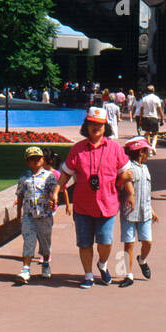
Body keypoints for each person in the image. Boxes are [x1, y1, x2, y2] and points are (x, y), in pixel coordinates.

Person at [56, 107, 133, 289]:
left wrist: (131, 194)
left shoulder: (114, 148)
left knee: (105, 242)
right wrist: (56, 190)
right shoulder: (78, 149)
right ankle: (88, 275)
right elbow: (66, 174)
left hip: (107, 204)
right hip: (83, 206)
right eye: (92, 124)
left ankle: (102, 264)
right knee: (84, 243)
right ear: (86, 126)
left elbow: (126, 173)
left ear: (105, 126)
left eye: (99, 125)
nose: (95, 128)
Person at [14, 146, 60, 282]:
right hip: (29, 216)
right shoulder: (24, 178)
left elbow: (55, 191)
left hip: (44, 216)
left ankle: (45, 263)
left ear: (43, 160)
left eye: (38, 158)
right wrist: (19, 213)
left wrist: (54, 200)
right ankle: (25, 270)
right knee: (28, 241)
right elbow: (20, 195)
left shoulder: (49, 176)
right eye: (32, 159)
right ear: (27, 161)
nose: (35, 161)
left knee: (45, 243)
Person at [118, 137, 157, 285]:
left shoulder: (145, 168)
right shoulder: (128, 169)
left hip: (145, 212)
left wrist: (151, 209)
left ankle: (142, 260)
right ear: (141, 152)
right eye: (147, 151)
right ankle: (128, 275)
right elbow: (120, 186)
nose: (148, 154)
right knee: (129, 244)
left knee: (147, 242)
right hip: (129, 213)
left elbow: (146, 192)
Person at [135, 85, 164, 152]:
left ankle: (148, 149)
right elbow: (160, 110)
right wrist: (162, 118)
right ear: (153, 90)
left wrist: (140, 120)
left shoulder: (144, 98)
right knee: (155, 133)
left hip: (146, 117)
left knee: (147, 133)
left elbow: (141, 110)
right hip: (154, 117)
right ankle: (153, 146)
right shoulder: (156, 98)